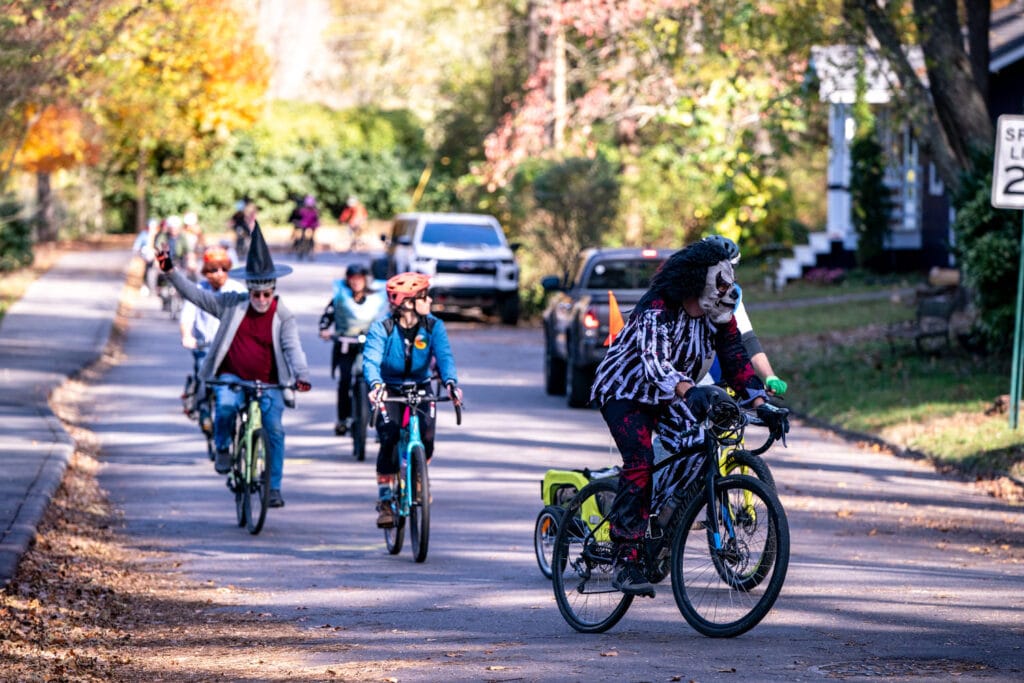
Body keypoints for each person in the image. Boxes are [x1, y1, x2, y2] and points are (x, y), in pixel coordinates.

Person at [589, 239, 768, 597]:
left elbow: (735, 358)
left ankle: (656, 517)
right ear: (696, 279)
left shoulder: (717, 312)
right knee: (639, 460)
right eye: (719, 280)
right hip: (625, 392)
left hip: (671, 394)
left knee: (700, 445)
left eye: (728, 279)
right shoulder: (657, 308)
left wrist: (763, 405)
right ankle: (626, 557)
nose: (725, 287)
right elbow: (655, 365)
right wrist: (691, 391)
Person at [156, 223, 311, 509]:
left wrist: (301, 376)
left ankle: (273, 487)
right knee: (225, 407)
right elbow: (195, 295)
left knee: (274, 429)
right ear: (248, 291)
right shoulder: (231, 305)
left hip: (270, 381)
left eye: (267, 294)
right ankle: (224, 447)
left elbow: (293, 348)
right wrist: (170, 271)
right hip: (232, 376)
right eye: (256, 294)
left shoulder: (283, 315)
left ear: (273, 291)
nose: (261, 300)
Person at [362, 272, 462, 528]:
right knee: (389, 437)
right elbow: (371, 359)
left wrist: (451, 383)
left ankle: (418, 475)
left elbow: (445, 357)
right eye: (424, 296)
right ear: (408, 302)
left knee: (426, 439)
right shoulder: (381, 327)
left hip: (421, 385)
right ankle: (385, 501)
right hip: (389, 387)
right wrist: (375, 385)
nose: (429, 300)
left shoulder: (433, 326)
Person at [696, 235, 788, 397]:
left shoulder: (733, 295)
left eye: (730, 270)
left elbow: (748, 339)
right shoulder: (685, 293)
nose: (725, 277)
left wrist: (769, 376)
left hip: (717, 372)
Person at [179, 246, 247, 434]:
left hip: (232, 349)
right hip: (205, 346)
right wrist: (187, 336)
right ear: (206, 272)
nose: (219, 274)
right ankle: (203, 412)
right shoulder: (200, 290)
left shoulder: (237, 290)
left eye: (223, 269)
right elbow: (187, 317)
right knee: (204, 375)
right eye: (213, 269)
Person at [318, 263, 388, 435]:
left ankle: (381, 423)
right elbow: (327, 316)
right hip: (345, 345)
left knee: (378, 384)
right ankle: (343, 419)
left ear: (366, 280)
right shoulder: (340, 299)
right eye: (352, 279)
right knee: (345, 381)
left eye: (359, 279)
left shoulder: (375, 299)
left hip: (369, 347)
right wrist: (324, 330)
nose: (356, 282)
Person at [132, 218, 157, 296]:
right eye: (150, 227)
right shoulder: (143, 235)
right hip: (145, 257)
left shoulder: (159, 235)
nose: (152, 229)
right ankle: (146, 286)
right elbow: (136, 246)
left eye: (153, 227)